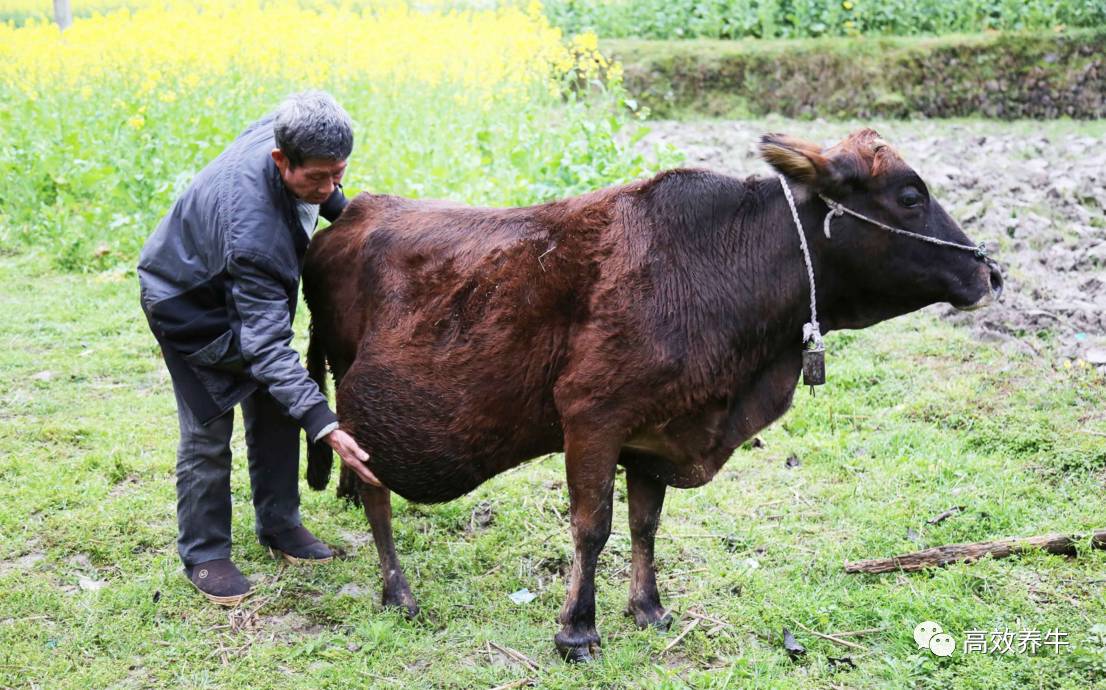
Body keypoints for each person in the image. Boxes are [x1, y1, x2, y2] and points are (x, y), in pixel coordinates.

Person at [137, 91, 381, 606]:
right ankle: (204, 553)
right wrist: (326, 424)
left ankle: (279, 524)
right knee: (208, 429)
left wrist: (343, 207)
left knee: (275, 407)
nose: (329, 187)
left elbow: (266, 345)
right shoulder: (257, 233)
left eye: (337, 174)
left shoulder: (292, 126)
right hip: (185, 300)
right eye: (317, 179)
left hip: (236, 286)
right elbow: (267, 347)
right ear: (280, 160)